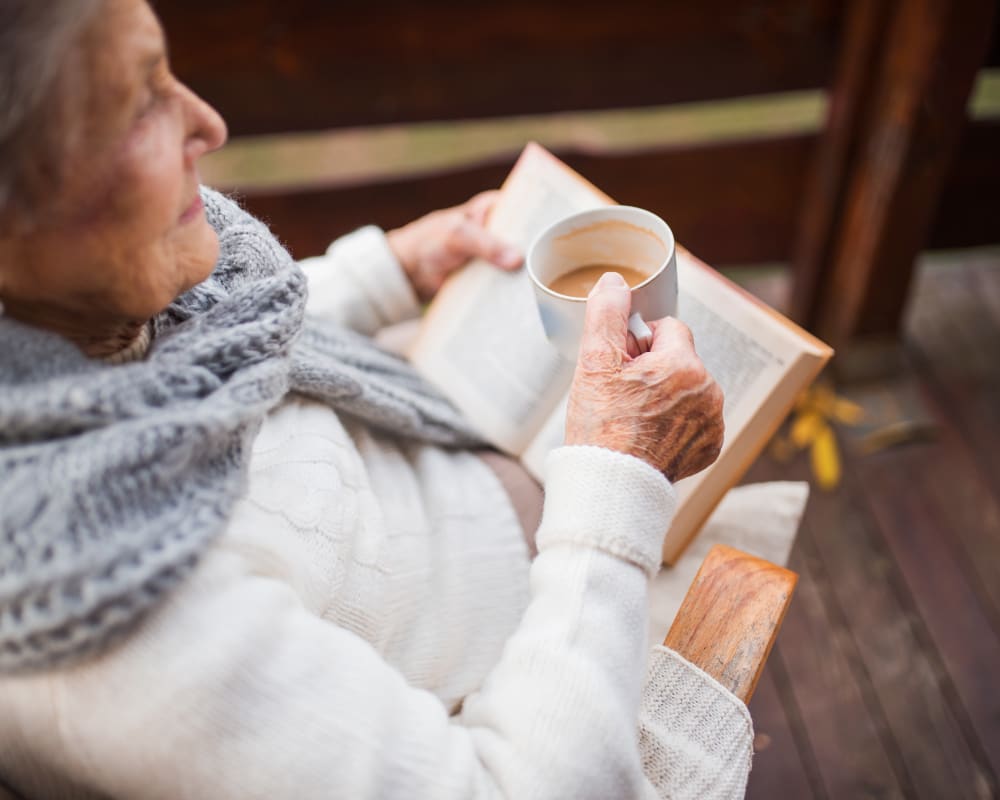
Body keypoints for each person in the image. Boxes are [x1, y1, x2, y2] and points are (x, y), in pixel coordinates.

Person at [0, 1, 749, 798]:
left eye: (166, 70)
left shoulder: (82, 326)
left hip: (465, 490)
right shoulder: (118, 636)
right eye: (134, 106)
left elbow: (189, 359)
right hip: (559, 641)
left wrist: (391, 271)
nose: (208, 124)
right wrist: (616, 480)